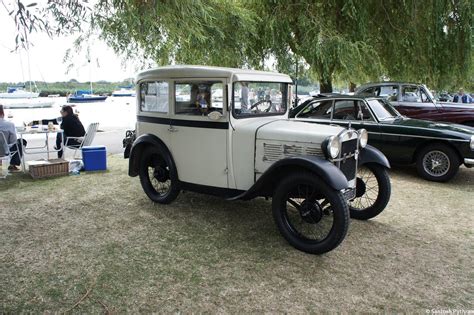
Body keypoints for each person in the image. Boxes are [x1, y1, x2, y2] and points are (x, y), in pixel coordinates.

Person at [0, 104, 26, 172]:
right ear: (2, 112)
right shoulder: (9, 124)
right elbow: (13, 141)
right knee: (21, 142)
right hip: (3, 150)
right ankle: (12, 165)